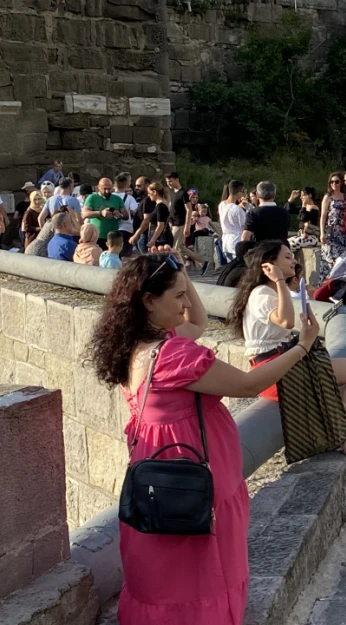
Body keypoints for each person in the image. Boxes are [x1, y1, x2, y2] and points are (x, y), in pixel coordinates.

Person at [84, 250, 323, 624]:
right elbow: (249, 383)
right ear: (148, 300)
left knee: (166, 567)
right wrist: (303, 344)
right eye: (177, 296)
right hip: (198, 471)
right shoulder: (173, 354)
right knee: (205, 567)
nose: (185, 305)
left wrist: (180, 274)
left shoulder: (138, 344)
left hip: (159, 473)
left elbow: (196, 319)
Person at [226, 242, 346, 508]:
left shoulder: (269, 291)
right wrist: (281, 282)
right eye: (287, 257)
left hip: (286, 361)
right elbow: (284, 321)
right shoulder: (262, 292)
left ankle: (343, 427)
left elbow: (290, 326)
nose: (293, 262)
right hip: (275, 371)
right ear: (268, 265)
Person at [82, 177, 127, 248]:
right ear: (98, 187)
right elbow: (84, 214)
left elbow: (126, 216)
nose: (107, 191)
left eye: (109, 189)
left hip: (113, 237)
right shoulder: (92, 198)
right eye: (104, 189)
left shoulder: (117, 199)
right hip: (97, 237)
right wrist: (101, 213)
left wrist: (119, 214)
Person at [319, 172, 346, 277]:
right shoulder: (328, 197)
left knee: (341, 261)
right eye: (331, 182)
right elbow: (323, 216)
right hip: (331, 232)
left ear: (341, 183)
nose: (334, 184)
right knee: (329, 260)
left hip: (343, 233)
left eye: (336, 181)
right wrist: (322, 233)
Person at [219, 180, 250, 260]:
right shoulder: (237, 209)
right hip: (236, 241)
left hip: (225, 241)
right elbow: (245, 225)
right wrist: (247, 209)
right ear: (239, 192)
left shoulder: (221, 205)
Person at [287, 187, 320, 252]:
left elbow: (303, 218)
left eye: (303, 195)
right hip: (301, 235)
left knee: (290, 246)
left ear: (309, 195)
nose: (301, 197)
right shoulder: (304, 208)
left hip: (311, 237)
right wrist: (291, 198)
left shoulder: (314, 209)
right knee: (284, 243)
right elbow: (288, 210)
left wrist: (303, 206)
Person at [144, 182, 175, 250]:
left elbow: (160, 225)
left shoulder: (161, 206)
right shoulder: (161, 204)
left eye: (149, 193)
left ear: (154, 192)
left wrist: (152, 240)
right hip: (161, 237)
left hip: (162, 239)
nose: (148, 195)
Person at [114, 173, 139, 256]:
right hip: (125, 228)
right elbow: (133, 211)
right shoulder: (129, 198)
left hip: (111, 229)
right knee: (124, 255)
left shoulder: (110, 197)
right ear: (126, 184)